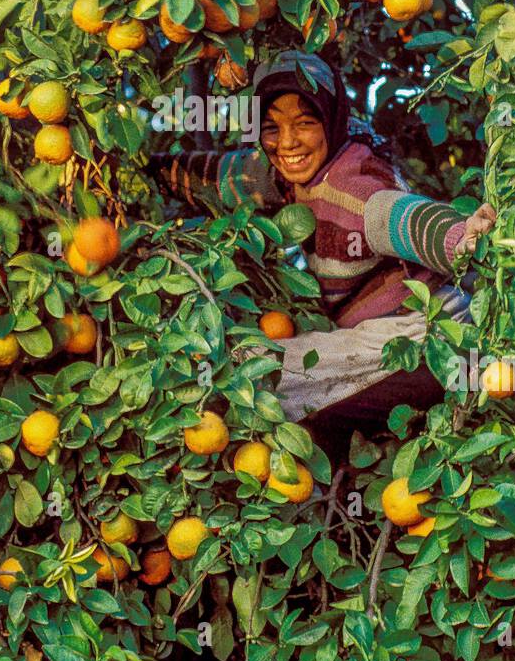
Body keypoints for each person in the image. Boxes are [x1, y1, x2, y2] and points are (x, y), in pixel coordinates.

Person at [152, 50, 496, 437]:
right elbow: (223, 178)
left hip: (425, 340)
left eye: (305, 123)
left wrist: (458, 237)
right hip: (371, 337)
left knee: (251, 377)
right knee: (259, 373)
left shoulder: (353, 183)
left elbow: (400, 216)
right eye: (271, 128)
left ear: (330, 122)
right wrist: (148, 170)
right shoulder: (289, 173)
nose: (287, 142)